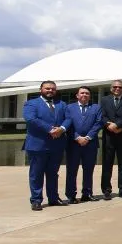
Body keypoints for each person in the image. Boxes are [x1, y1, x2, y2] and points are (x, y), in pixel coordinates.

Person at [22, 81, 71, 210]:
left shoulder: (62, 104)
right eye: (47, 88)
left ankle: (53, 198)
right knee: (36, 174)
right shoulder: (31, 103)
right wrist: (50, 129)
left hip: (57, 145)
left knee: (53, 174)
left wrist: (61, 128)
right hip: (38, 145)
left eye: (53, 89)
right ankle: (36, 200)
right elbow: (31, 119)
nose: (50, 91)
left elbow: (68, 119)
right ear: (41, 89)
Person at [64, 86, 103, 203]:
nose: (84, 95)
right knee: (71, 170)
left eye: (87, 93)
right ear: (77, 95)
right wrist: (77, 137)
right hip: (73, 144)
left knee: (88, 170)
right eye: (82, 93)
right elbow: (67, 124)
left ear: (90, 96)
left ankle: (87, 193)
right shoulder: (69, 108)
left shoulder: (96, 108)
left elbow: (98, 123)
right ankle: (71, 195)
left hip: (90, 144)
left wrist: (87, 137)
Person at [99, 80, 122, 200]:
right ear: (111, 88)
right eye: (115, 87)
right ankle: (106, 190)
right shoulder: (104, 100)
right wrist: (108, 125)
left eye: (120, 87)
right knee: (107, 164)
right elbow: (102, 115)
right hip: (108, 136)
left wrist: (118, 125)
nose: (117, 89)